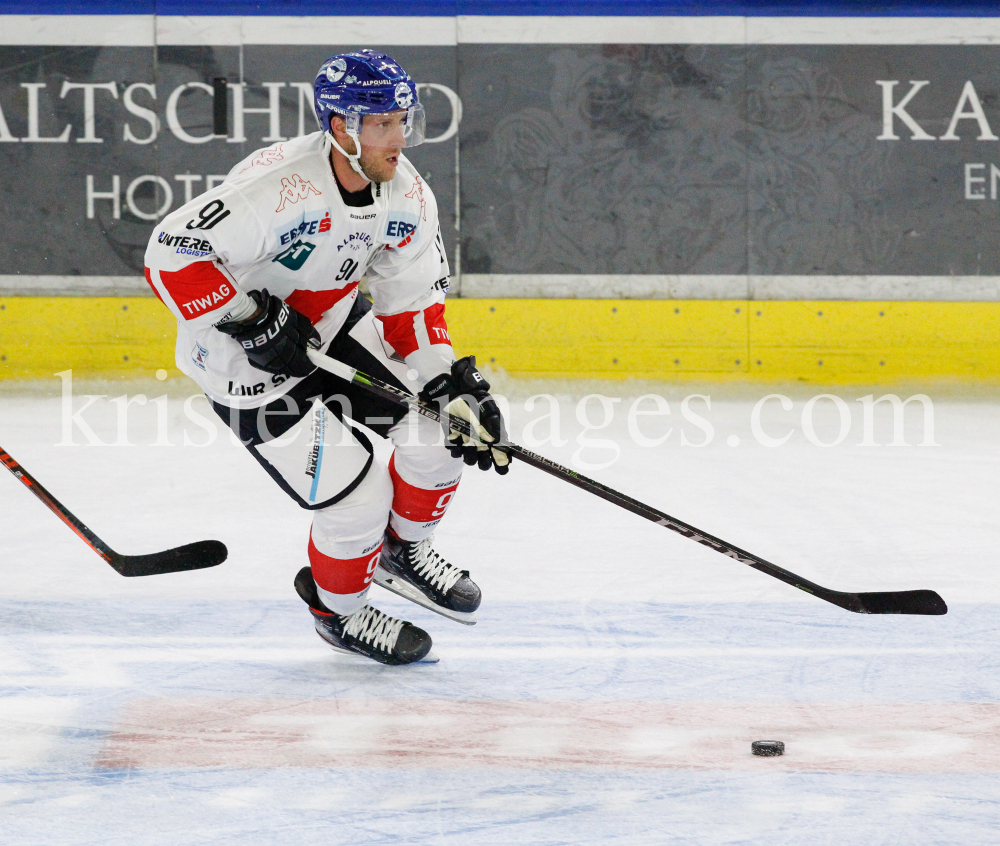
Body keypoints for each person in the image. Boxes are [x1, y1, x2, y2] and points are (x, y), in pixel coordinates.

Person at [143, 50, 510, 665]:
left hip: (329, 327)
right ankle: (337, 613)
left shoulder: (406, 196)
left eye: (404, 121)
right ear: (342, 126)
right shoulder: (278, 189)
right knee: (357, 498)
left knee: (438, 435)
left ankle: (401, 552)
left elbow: (412, 304)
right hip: (240, 363)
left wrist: (449, 382)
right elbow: (171, 256)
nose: (399, 138)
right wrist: (251, 320)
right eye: (383, 124)